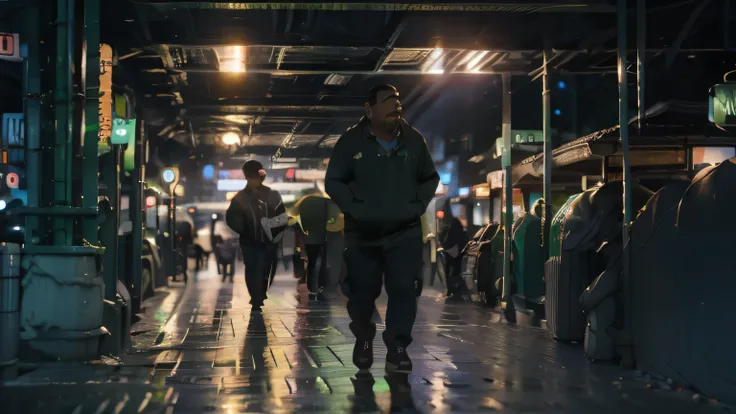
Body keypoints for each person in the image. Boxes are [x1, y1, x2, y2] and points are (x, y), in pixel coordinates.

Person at [325, 84, 439, 373]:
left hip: (405, 232)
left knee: (404, 290)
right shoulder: (351, 143)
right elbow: (334, 181)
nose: (396, 108)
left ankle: (398, 348)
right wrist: (354, 208)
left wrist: (416, 205)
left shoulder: (414, 141)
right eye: (388, 103)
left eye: (398, 103)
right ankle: (364, 337)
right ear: (369, 109)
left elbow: (430, 178)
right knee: (361, 291)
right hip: (362, 235)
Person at [225, 160, 288, 311]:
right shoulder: (272, 195)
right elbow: (282, 217)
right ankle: (258, 295)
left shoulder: (239, 198)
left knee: (252, 268)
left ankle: (256, 296)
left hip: (250, 241)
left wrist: (245, 230)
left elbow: (231, 220)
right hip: (267, 241)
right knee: (264, 267)